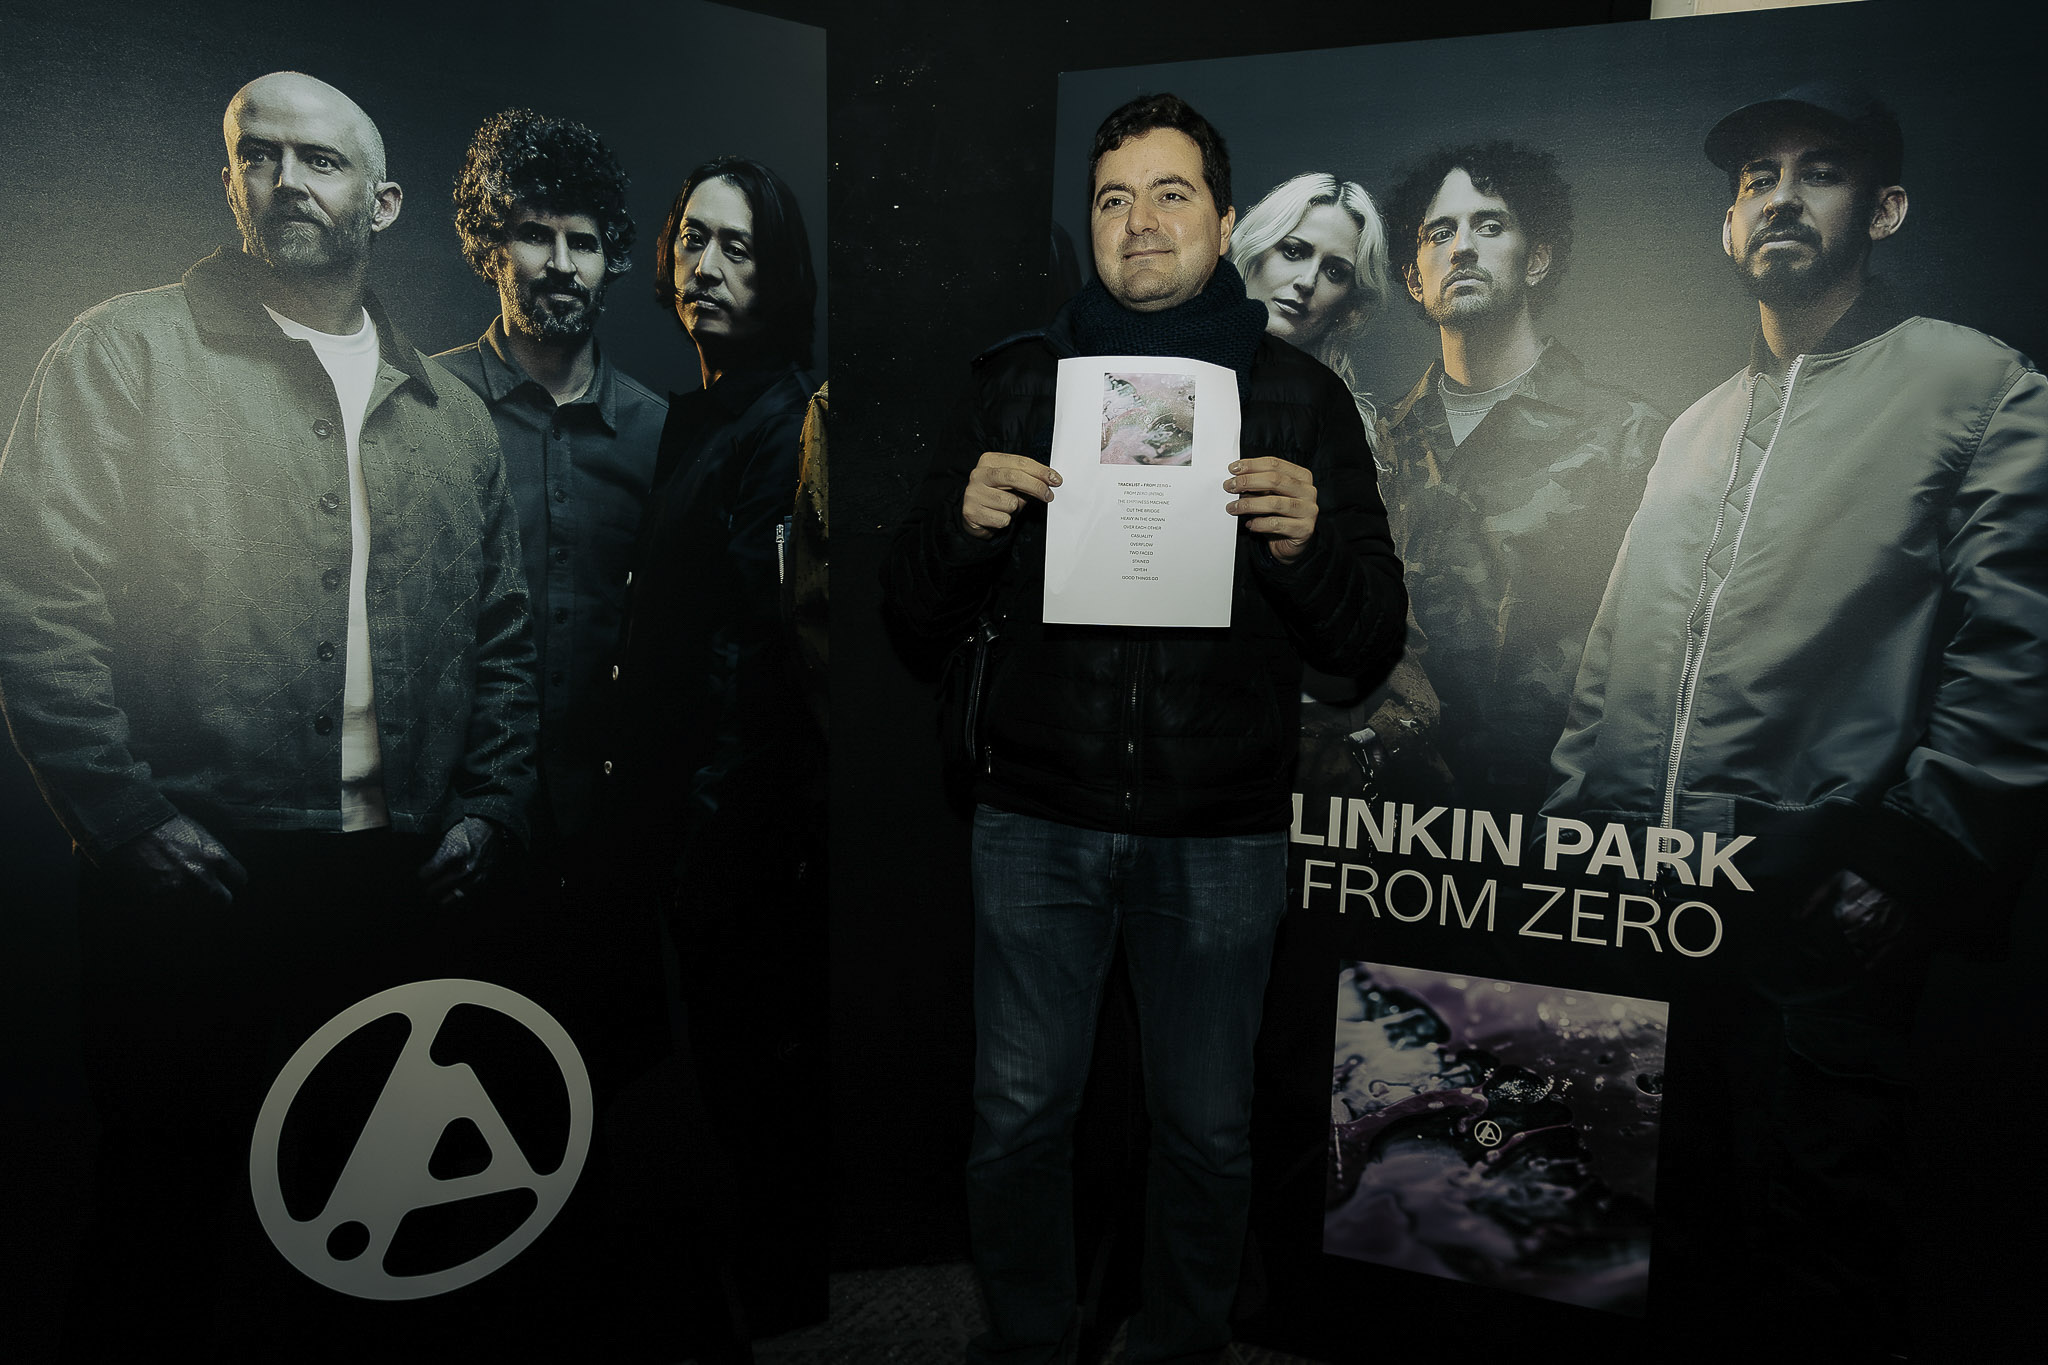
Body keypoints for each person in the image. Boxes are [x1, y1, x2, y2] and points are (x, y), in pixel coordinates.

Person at [0, 72, 535, 1352]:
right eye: (261, 156)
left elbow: (505, 639)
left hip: (395, 884)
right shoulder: (125, 353)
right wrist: (126, 820)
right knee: (171, 1221)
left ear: (384, 203)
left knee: (363, 1221)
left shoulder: (451, 414)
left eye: (322, 161)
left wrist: (492, 807)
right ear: (232, 179)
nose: (288, 180)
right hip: (198, 882)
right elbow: (34, 600)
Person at [883, 92, 1405, 1363]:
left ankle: (1181, 1346)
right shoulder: (1016, 383)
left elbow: (1364, 643)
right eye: (1112, 198)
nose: (1138, 221)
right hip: (1034, 819)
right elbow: (907, 613)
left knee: (1208, 1134)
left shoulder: (1300, 402)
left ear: (1224, 223)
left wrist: (1307, 545)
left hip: (1218, 834)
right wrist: (962, 526)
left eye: (1170, 194)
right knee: (1015, 1120)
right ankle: (1025, 1343)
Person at [1546, 82, 2048, 1356]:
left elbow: (2021, 650)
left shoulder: (1976, 382)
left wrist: (1911, 861)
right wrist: (1569, 841)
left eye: (1817, 171)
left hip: (1812, 921)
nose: (1778, 196)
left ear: (1882, 209)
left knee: (1810, 1259)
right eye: (1753, 179)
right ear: (1727, 227)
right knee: (1637, 1234)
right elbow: (1609, 660)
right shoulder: (1690, 428)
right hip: (1640, 906)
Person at [602, 154, 825, 1352]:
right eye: (693, 238)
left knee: (749, 1100)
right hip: (679, 822)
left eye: (737, 246)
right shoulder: (692, 413)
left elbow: (760, 659)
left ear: (777, 273)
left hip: (734, 834)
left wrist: (703, 838)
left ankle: (778, 1323)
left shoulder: (786, 417)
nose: (706, 264)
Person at [1375, 142, 1665, 812]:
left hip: (1558, 819)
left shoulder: (1630, 435)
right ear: (1414, 278)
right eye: (1439, 233)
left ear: (1536, 259)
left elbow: (1657, 655)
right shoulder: (1372, 439)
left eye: (1490, 225)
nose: (1462, 248)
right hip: (1381, 818)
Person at [436, 108, 666, 871]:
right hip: (449, 818)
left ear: (610, 257)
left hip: (610, 826)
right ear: (492, 248)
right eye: (536, 235)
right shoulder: (426, 404)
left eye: (585, 242)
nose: (563, 264)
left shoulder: (660, 432)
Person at [1228, 171, 1390, 418]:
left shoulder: (1340, 420)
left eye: (1334, 272)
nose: (1307, 281)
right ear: (1254, 249)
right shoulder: (1174, 367)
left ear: (1349, 303)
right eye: (1293, 251)